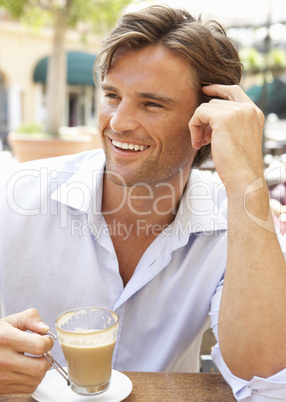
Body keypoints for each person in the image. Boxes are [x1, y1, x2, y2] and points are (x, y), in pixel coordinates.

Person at [1, 5, 286, 399]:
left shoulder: (237, 218)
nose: (118, 122)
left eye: (152, 104)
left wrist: (245, 180)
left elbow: (266, 378)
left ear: (207, 121)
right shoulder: (11, 195)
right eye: (112, 95)